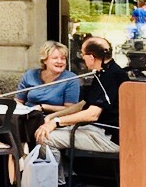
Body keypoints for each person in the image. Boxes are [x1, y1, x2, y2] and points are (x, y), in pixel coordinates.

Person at [33, 35, 124, 172]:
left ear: (91, 57)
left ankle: (61, 185)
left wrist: (56, 122)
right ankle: (70, 179)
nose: (82, 58)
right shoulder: (103, 72)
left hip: (110, 136)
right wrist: (53, 117)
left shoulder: (111, 76)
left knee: (45, 138)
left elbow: (92, 114)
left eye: (82, 54)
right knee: (47, 131)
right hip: (98, 130)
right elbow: (82, 104)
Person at [17, 41, 80, 112]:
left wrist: (43, 107)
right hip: (28, 117)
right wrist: (24, 110)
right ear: (45, 60)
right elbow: (18, 101)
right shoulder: (30, 75)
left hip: (53, 119)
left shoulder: (71, 79)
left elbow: (71, 109)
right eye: (55, 58)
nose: (60, 61)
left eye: (63, 58)